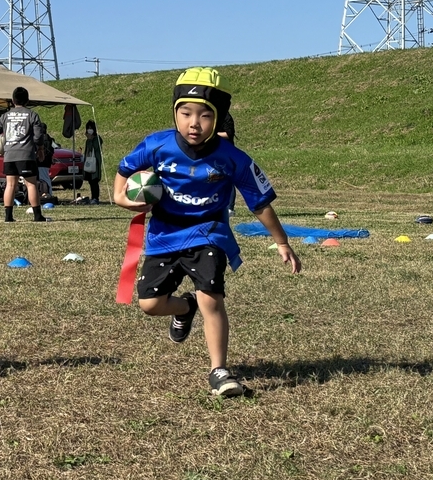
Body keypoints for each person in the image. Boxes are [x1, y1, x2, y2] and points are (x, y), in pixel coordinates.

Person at [114, 67, 301, 398]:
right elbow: (125, 168)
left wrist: (282, 241)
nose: (194, 123)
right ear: (175, 112)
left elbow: (260, 203)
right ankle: (184, 308)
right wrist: (121, 197)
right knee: (150, 304)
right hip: (164, 234)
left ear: (218, 118)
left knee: (211, 299)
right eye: (185, 113)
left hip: (209, 233)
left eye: (205, 115)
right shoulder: (156, 145)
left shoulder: (233, 158)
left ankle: (219, 371)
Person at [0, 86, 46, 223]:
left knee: (10, 185)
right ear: (27, 100)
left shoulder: (5, 116)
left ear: (12, 100)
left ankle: (8, 217)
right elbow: (38, 137)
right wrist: (40, 149)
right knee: (31, 184)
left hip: (9, 155)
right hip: (26, 154)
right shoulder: (32, 115)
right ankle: (37, 216)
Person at [82, 120, 103, 203]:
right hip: (88, 162)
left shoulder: (97, 139)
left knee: (94, 180)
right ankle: (92, 197)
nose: (89, 130)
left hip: (95, 162)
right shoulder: (87, 140)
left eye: (91, 128)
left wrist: (90, 139)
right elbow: (87, 151)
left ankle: (96, 198)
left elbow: (94, 148)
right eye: (88, 128)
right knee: (90, 181)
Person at [37, 127, 55, 201]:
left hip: (41, 162)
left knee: (43, 179)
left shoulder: (41, 139)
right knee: (46, 178)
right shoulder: (49, 139)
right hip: (47, 162)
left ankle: (47, 193)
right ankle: (49, 192)